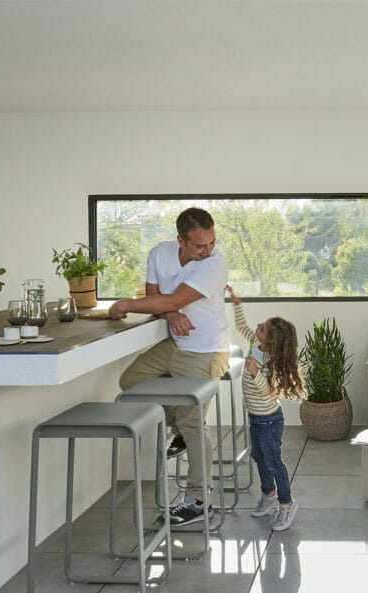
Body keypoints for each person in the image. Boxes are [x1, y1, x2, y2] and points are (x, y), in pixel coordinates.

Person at [109, 207, 230, 526]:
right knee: (131, 380)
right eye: (200, 246)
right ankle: (177, 428)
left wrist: (126, 305)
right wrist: (170, 314)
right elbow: (158, 298)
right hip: (176, 343)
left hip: (205, 350)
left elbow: (171, 299)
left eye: (212, 242)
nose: (208, 250)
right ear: (180, 240)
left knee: (193, 421)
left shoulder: (215, 264)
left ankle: (199, 499)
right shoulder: (159, 254)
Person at [227, 285, 305, 531]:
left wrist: (253, 372)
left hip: (270, 420)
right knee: (258, 457)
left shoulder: (271, 362)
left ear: (270, 341)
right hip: (256, 417)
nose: (258, 326)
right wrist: (236, 303)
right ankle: (269, 494)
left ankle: (287, 502)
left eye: (262, 328)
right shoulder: (254, 344)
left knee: (273, 462)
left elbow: (268, 390)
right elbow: (241, 326)